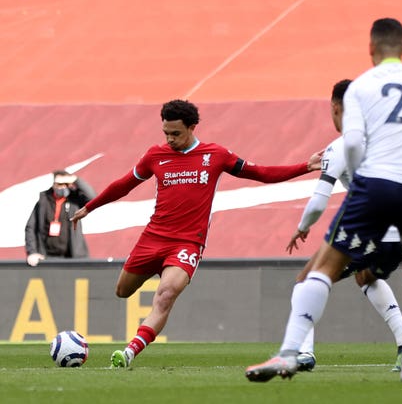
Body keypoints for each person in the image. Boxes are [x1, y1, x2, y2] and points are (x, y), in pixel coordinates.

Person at [246, 17, 402, 383]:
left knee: (318, 270)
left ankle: (292, 353)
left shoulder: (360, 88)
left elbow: (352, 143)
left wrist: (361, 189)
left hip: (377, 187)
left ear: (370, 49)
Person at [70, 99, 322, 368]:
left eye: (176, 134)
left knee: (165, 295)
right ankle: (136, 331)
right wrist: (90, 207)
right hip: (153, 238)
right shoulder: (155, 155)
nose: (170, 139)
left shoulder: (215, 155)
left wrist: (305, 166)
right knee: (122, 291)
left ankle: (129, 352)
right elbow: (125, 184)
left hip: (187, 243)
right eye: (166, 133)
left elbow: (260, 172)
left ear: (192, 128)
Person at [286, 79, 402, 373]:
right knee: (366, 276)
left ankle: (304, 353)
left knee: (306, 282)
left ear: (336, 107)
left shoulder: (339, 147)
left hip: (369, 230)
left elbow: (317, 202)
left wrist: (302, 227)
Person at [25, 170, 96, 266]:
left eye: (66, 184)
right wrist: (32, 252)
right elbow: (31, 228)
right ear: (54, 184)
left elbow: (93, 197)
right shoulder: (43, 200)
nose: (63, 187)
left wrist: (76, 180)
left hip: (73, 256)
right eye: (59, 184)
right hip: (47, 256)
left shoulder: (74, 199)